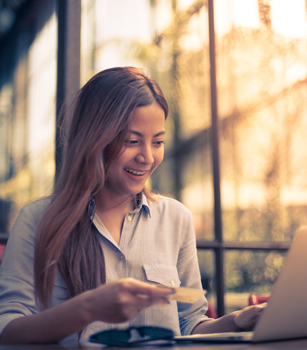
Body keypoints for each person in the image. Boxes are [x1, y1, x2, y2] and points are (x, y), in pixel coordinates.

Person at [0, 67, 264, 344]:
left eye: (158, 142)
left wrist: (237, 321)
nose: (148, 157)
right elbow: (6, 329)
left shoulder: (176, 219)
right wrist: (86, 308)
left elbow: (189, 323)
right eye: (132, 141)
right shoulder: (38, 220)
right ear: (94, 138)